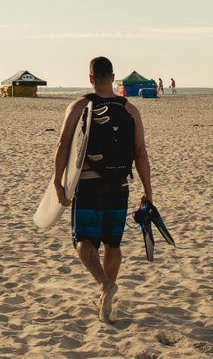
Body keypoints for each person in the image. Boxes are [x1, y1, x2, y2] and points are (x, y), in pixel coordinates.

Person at [53, 56, 153, 324]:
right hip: (120, 184)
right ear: (112, 77)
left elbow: (63, 146)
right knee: (113, 244)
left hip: (88, 183)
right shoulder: (131, 110)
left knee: (84, 241)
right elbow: (140, 153)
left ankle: (104, 285)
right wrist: (148, 191)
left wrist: (57, 182)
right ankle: (107, 291)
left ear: (90, 78)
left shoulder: (79, 106)